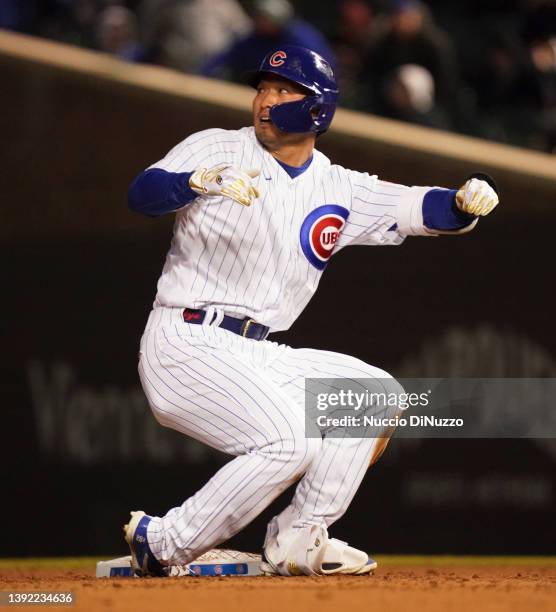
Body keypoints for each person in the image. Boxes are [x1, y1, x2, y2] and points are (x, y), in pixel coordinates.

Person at [125, 45, 499, 577]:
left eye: (282, 90)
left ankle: (299, 535)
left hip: (257, 350)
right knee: (287, 440)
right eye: (262, 88)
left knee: (375, 394)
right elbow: (142, 193)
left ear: (317, 109)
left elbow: (419, 207)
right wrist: (193, 182)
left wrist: (463, 205)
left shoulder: (336, 186)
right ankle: (162, 541)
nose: (265, 100)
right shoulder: (216, 147)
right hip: (184, 338)